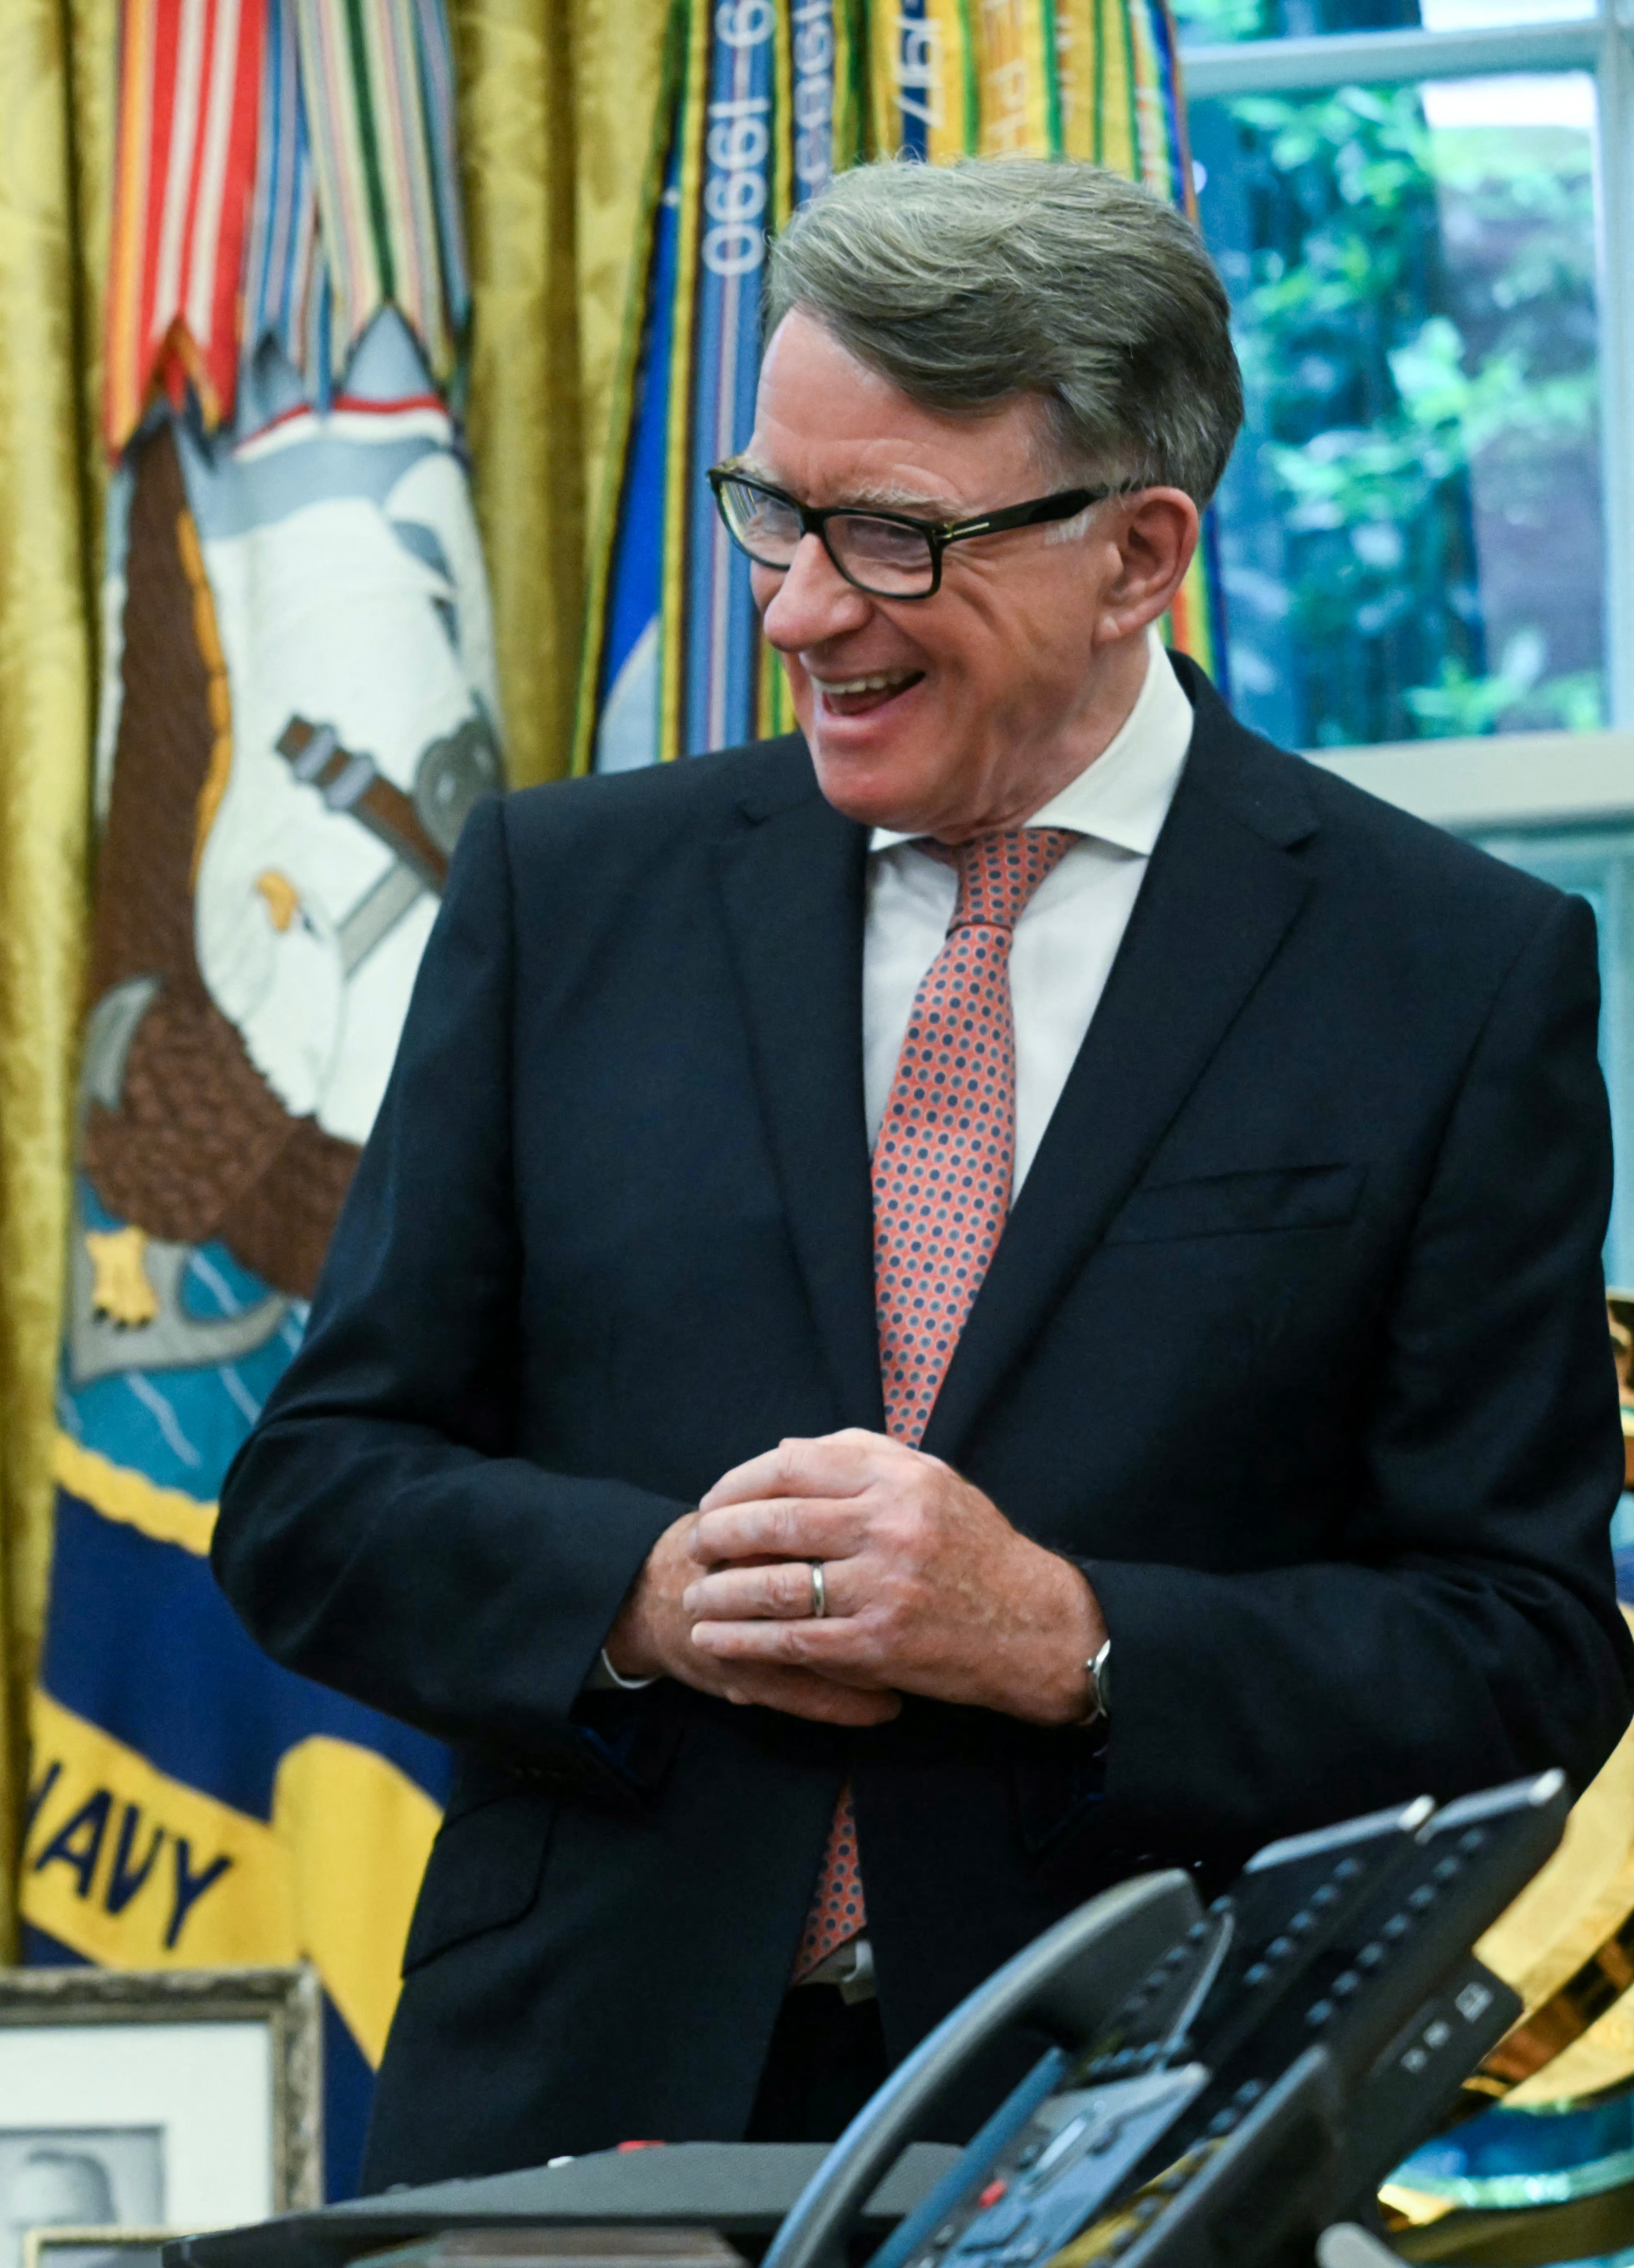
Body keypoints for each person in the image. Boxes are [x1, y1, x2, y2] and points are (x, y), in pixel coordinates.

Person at [215, 157, 1634, 2187]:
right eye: (776, 513)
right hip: (582, 2108)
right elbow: (316, 1498)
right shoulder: (567, 896)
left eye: (889, 536)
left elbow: (1527, 1654)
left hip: (1142, 2133)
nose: (798, 606)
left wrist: (1067, 1632)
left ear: (1139, 552)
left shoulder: (1450, 974)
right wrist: (637, 1596)